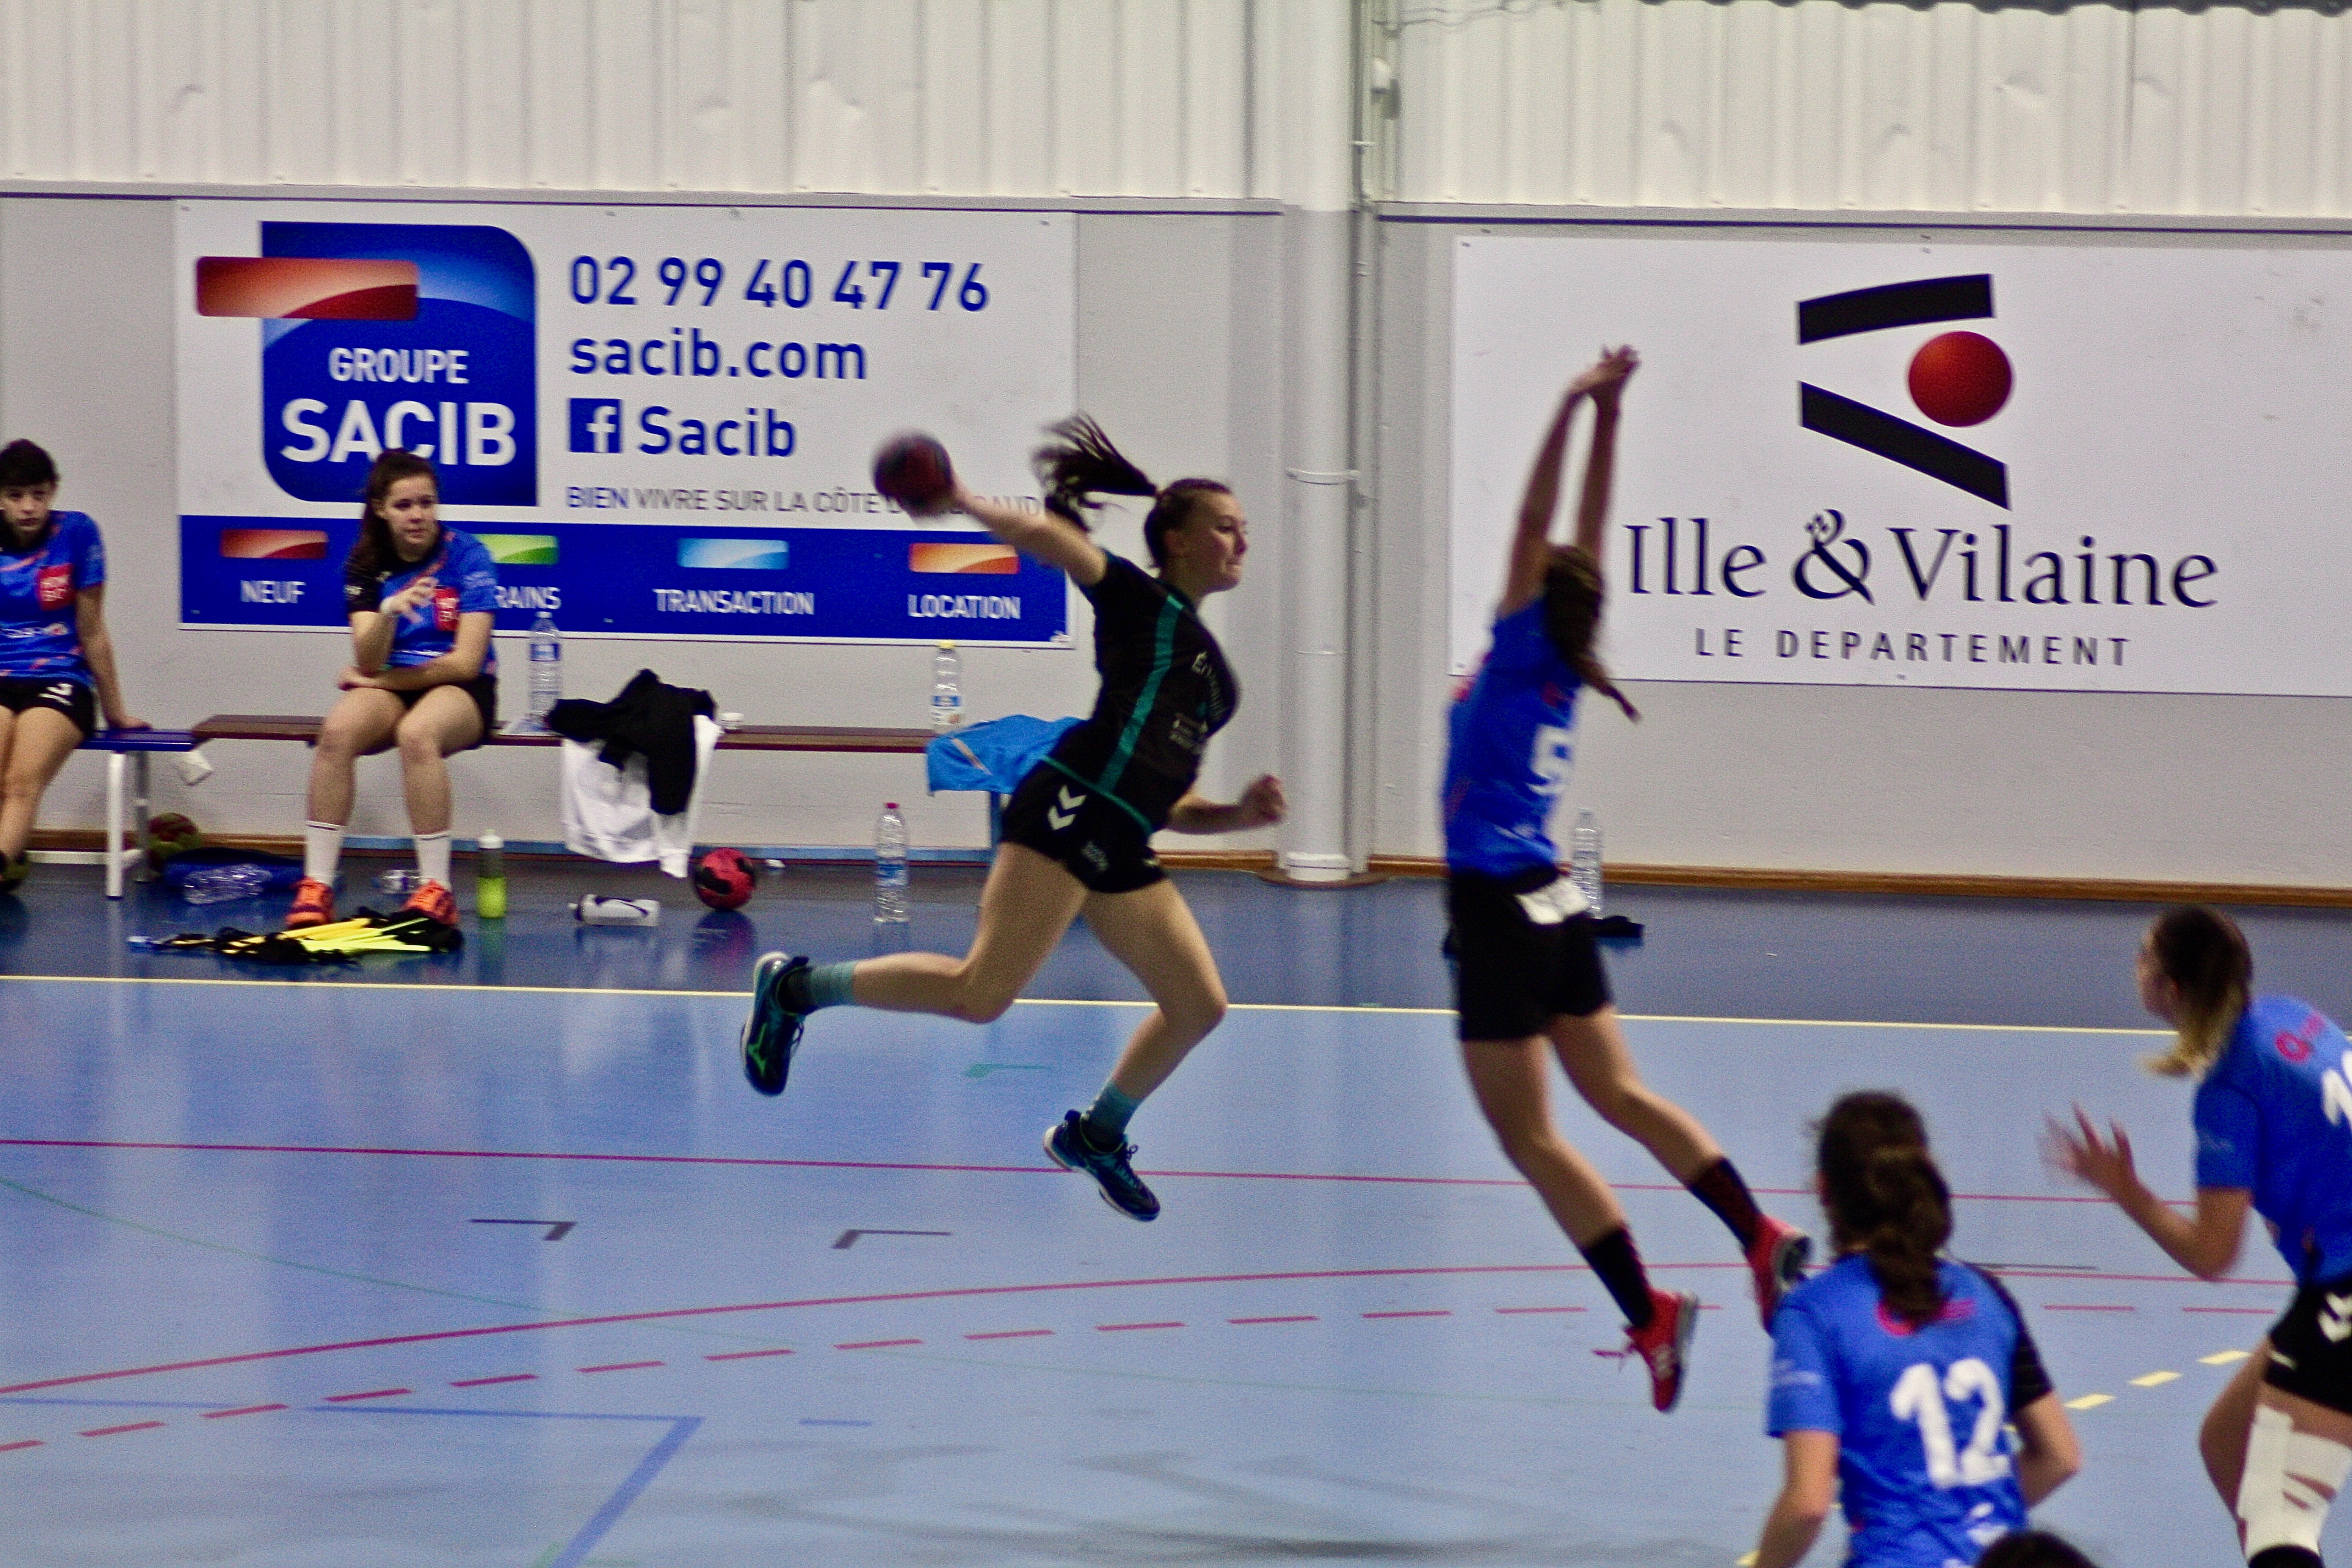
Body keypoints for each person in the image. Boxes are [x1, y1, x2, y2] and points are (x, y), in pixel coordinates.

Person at [738, 416, 1284, 1222]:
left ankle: (1096, 1136)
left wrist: (1238, 814)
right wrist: (961, 498)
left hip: (1121, 838)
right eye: (1226, 526)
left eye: (1244, 528)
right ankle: (794, 987)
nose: (1241, 541)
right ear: (1176, 540)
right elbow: (1056, 541)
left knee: (1199, 1006)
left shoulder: (1216, 685)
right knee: (980, 994)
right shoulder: (1142, 605)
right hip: (1072, 806)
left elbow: (1167, 801)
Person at [1444, 347, 1808, 1412]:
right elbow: (1582, 537)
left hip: (1499, 905)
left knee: (1529, 1135)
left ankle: (1650, 1311)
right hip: (1557, 901)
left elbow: (1538, 522)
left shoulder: (1521, 647)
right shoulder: (1566, 656)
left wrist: (1569, 405)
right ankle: (1759, 1233)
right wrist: (1611, 417)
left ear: (1531, 591)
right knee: (1621, 1094)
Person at [2053, 905, 2352, 1568]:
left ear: (2172, 988)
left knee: (2281, 1510)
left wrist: (2126, 1189)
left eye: (2144, 955)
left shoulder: (2229, 1089)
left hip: (2344, 1289)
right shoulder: (2290, 1017)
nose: (2135, 964)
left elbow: (2213, 1254)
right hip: (2331, 1279)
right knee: (2227, 1441)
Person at [1754, 1092, 2081, 1568]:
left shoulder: (1815, 1312)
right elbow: (2059, 1457)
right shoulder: (1985, 1294)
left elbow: (1808, 1505)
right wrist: (1965, 1520)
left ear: (1823, 1189)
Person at [285, 448, 498, 930]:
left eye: (426, 503)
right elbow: (367, 658)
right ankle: (316, 885)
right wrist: (387, 613)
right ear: (381, 509)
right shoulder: (366, 564)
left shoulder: (470, 556)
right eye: (404, 505)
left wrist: (377, 679)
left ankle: (436, 889)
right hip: (392, 680)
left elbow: (465, 662)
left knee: (418, 733)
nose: (417, 515)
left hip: (464, 688)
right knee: (337, 732)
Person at [0, 439, 143, 890]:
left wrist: (115, 711)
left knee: (21, 782)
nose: (28, 507)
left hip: (61, 678)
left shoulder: (78, 533)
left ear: (54, 491)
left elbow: (93, 629)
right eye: (15, 496)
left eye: (38, 495)